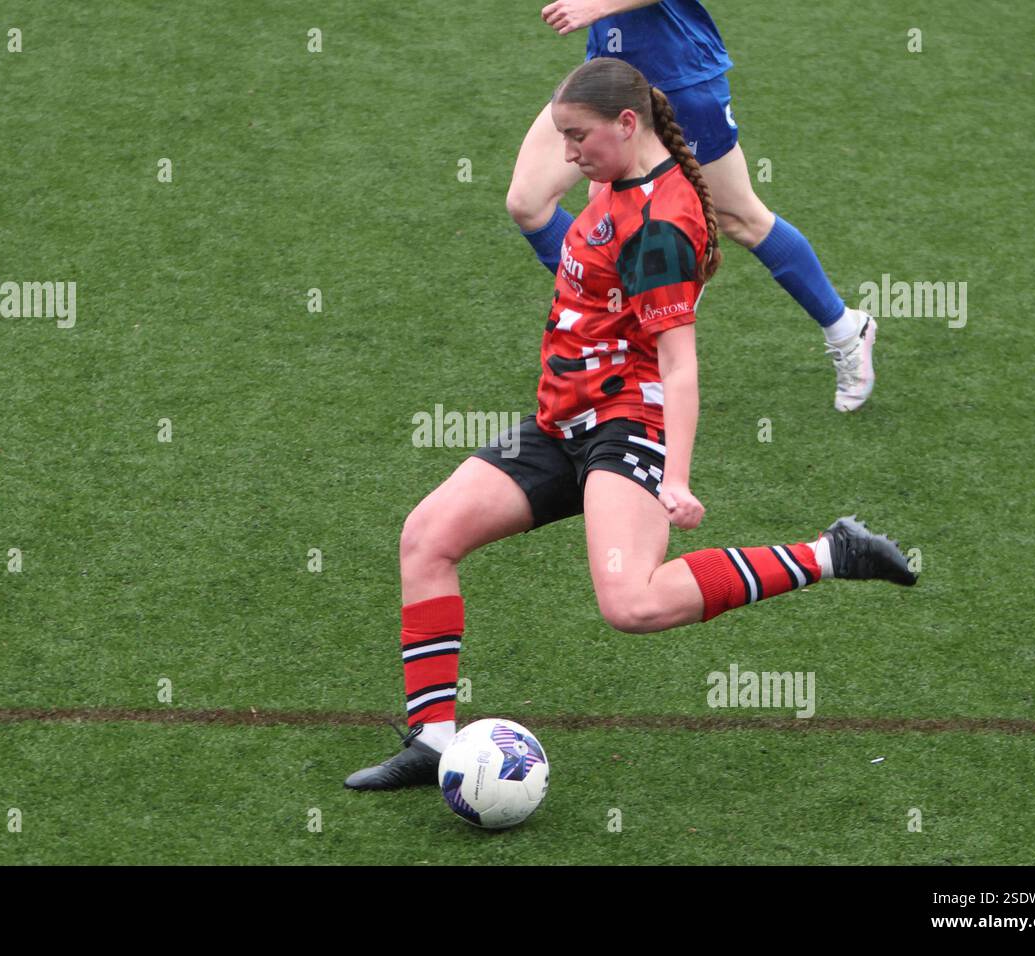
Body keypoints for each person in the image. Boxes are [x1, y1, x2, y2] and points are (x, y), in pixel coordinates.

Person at [344, 59, 915, 791]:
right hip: (560, 418)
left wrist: (674, 477)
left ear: (626, 125)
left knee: (633, 604)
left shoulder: (660, 231)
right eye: (562, 137)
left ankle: (831, 553)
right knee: (427, 538)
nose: (569, 153)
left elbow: (680, 367)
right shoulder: (615, 175)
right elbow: (535, 194)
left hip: (625, 423)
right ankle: (431, 740)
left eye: (577, 137)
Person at [507, 0, 876, 412]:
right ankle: (622, 329)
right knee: (529, 202)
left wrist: (598, 6)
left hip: (679, 73)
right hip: (609, 75)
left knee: (740, 218)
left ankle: (846, 330)